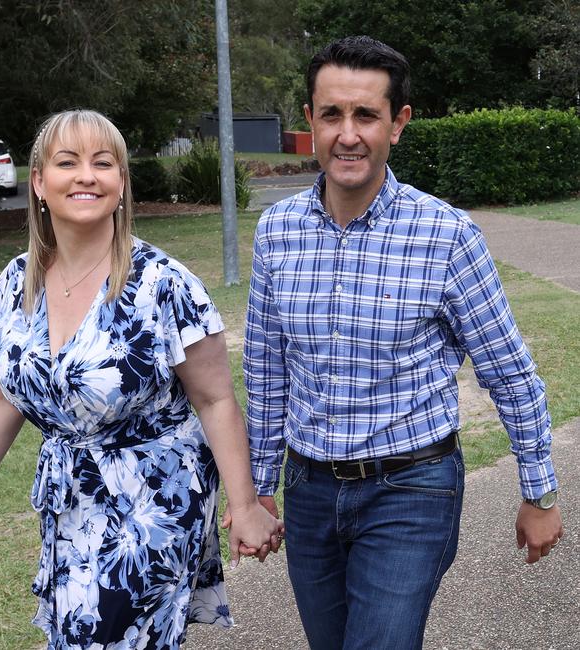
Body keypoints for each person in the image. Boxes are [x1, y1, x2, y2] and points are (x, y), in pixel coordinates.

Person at [243, 35, 564, 650]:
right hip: (309, 490)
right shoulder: (277, 231)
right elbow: (265, 370)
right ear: (309, 120)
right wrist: (259, 487)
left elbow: (511, 374)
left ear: (399, 123)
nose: (348, 134)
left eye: (367, 115)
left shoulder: (447, 236)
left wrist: (539, 492)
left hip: (411, 490)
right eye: (332, 114)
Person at [0, 108, 282, 649]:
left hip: (152, 503)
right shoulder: (16, 282)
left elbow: (214, 400)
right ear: (39, 183)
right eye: (67, 163)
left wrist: (245, 507)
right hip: (69, 503)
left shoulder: (163, 284)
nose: (86, 176)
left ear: (121, 183)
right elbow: (2, 395)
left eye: (103, 163)